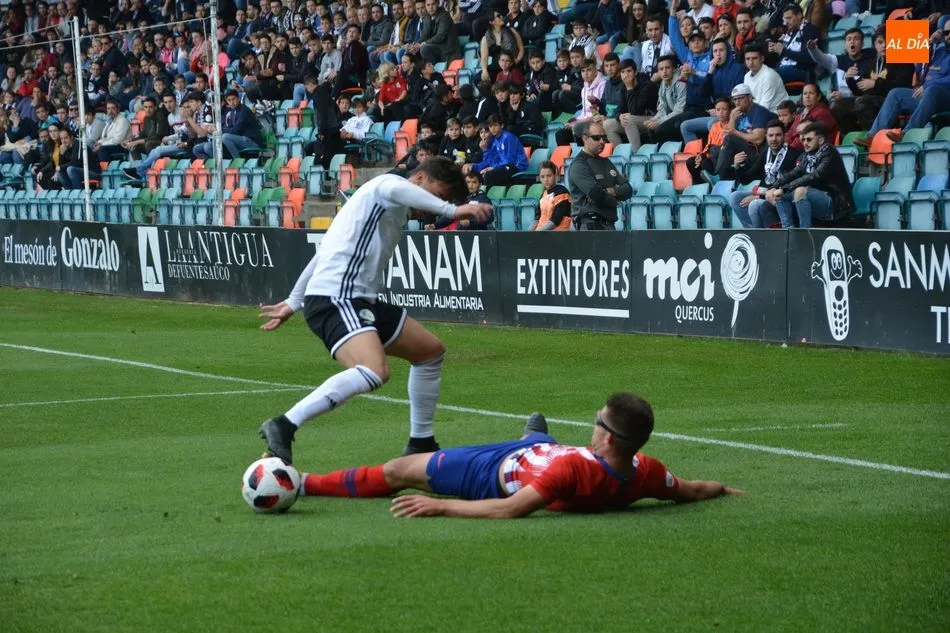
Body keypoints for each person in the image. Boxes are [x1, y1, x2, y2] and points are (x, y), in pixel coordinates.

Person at [257, 158, 493, 464]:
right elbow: (396, 188)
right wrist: (452, 211)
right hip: (337, 297)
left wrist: (294, 299)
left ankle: (420, 442)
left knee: (430, 352)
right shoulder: (386, 185)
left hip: (355, 299)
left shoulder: (377, 206)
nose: (434, 207)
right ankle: (284, 425)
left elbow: (325, 249)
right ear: (420, 177)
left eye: (444, 201)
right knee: (374, 370)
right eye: (438, 195)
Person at [297, 392, 744, 518]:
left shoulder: (571, 472)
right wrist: (726, 489)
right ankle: (535, 437)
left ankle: (302, 483)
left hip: (492, 472)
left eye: (598, 421)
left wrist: (441, 506)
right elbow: (693, 490)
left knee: (398, 471)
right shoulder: (646, 471)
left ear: (608, 439)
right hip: (541, 453)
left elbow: (510, 509)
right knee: (540, 442)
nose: (593, 423)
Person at [764, 123, 854, 228]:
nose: (805, 143)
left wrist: (784, 189)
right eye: (804, 140)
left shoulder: (829, 153)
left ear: (820, 140)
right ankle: (788, 230)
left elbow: (815, 176)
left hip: (837, 202)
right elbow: (793, 174)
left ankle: (805, 231)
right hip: (818, 197)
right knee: (778, 195)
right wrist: (772, 188)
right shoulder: (808, 154)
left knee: (800, 191)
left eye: (809, 140)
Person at [730, 119, 801, 228]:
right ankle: (750, 230)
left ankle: (758, 234)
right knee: (735, 197)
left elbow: (789, 187)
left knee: (755, 204)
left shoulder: (793, 154)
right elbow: (745, 180)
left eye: (778, 135)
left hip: (781, 197)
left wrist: (759, 197)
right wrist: (738, 166)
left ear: (784, 136)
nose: (774, 139)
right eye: (771, 135)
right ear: (766, 137)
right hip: (764, 194)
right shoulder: (765, 154)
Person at [568, 121, 633, 230]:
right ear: (585, 138)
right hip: (590, 224)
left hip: (609, 223)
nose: (602, 141)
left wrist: (609, 191)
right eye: (596, 138)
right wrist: (615, 201)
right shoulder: (579, 164)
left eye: (604, 137)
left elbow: (628, 189)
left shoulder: (606, 162)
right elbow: (596, 194)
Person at [463, 114, 528, 187]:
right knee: (472, 172)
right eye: (490, 126)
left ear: (502, 125)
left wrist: (493, 168)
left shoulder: (508, 137)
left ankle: (488, 194)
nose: (493, 128)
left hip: (517, 166)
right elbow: (491, 161)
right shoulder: (495, 141)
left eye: (495, 125)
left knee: (489, 175)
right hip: (504, 166)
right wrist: (474, 166)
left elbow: (510, 161)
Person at [531, 160, 572, 231]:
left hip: (558, 233)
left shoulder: (562, 193)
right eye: (542, 177)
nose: (546, 180)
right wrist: (527, 233)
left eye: (549, 176)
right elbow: (537, 218)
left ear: (555, 176)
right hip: (542, 232)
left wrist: (538, 233)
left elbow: (555, 220)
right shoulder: (544, 194)